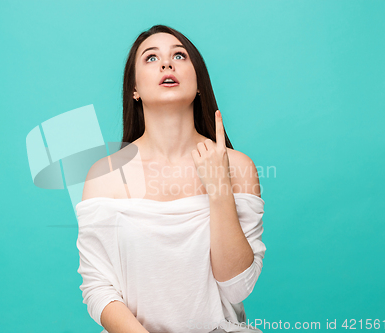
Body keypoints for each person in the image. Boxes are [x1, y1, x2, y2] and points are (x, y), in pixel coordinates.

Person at [75, 25, 266, 333]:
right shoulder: (104, 175)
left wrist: (219, 190)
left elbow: (238, 288)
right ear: (134, 88)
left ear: (199, 81)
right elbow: (99, 288)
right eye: (151, 58)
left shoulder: (238, 167)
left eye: (179, 55)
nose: (167, 64)